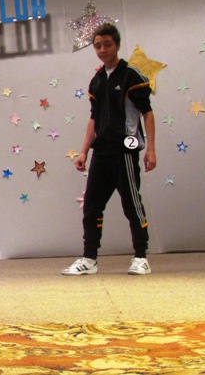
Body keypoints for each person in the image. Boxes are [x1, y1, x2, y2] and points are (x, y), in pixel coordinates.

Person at [62, 23, 156, 276]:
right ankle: (89, 259)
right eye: (97, 46)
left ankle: (141, 257)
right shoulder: (97, 80)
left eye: (107, 45)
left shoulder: (131, 76)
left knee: (131, 204)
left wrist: (151, 150)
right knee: (92, 206)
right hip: (101, 152)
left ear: (117, 45)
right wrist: (84, 151)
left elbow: (147, 113)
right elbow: (93, 118)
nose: (102, 50)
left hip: (125, 149)